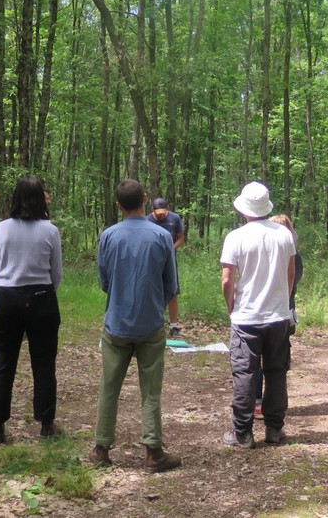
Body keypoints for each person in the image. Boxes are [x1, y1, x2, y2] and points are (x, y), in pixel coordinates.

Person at [89, 179, 181, 472]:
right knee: (151, 390)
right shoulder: (162, 237)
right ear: (145, 198)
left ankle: (101, 449)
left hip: (116, 324)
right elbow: (171, 285)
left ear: (118, 205)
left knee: (109, 387)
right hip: (151, 324)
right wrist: (153, 304)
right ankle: (153, 453)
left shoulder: (108, 236)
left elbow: (105, 281)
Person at [0, 177, 63, 442]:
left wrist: (11, 284)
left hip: (7, 297)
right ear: (40, 198)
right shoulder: (49, 230)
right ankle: (46, 423)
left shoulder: (2, 229)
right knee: (43, 363)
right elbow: (57, 275)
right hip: (42, 296)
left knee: (3, 362)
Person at [220, 182, 295, 449]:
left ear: (244, 209)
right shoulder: (284, 235)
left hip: (246, 317)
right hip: (277, 316)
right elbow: (290, 274)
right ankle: (275, 429)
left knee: (244, 373)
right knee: (276, 372)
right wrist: (282, 303)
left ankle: (242, 433)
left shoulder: (235, 237)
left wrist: (232, 308)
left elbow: (227, 280)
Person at [254, 214, 303, 420]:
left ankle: (273, 404)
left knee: (275, 363)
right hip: (273, 313)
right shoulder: (264, 251)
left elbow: (292, 281)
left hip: (282, 313)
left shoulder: (293, 255)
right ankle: (259, 402)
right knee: (268, 363)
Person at [147, 197, 186, 338]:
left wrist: (170, 249)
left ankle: (174, 326)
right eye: (158, 213)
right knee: (152, 291)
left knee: (173, 291)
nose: (161, 215)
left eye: (163, 213)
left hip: (170, 261)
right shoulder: (147, 221)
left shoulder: (174, 219)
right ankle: (153, 323)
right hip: (153, 262)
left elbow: (181, 238)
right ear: (153, 210)